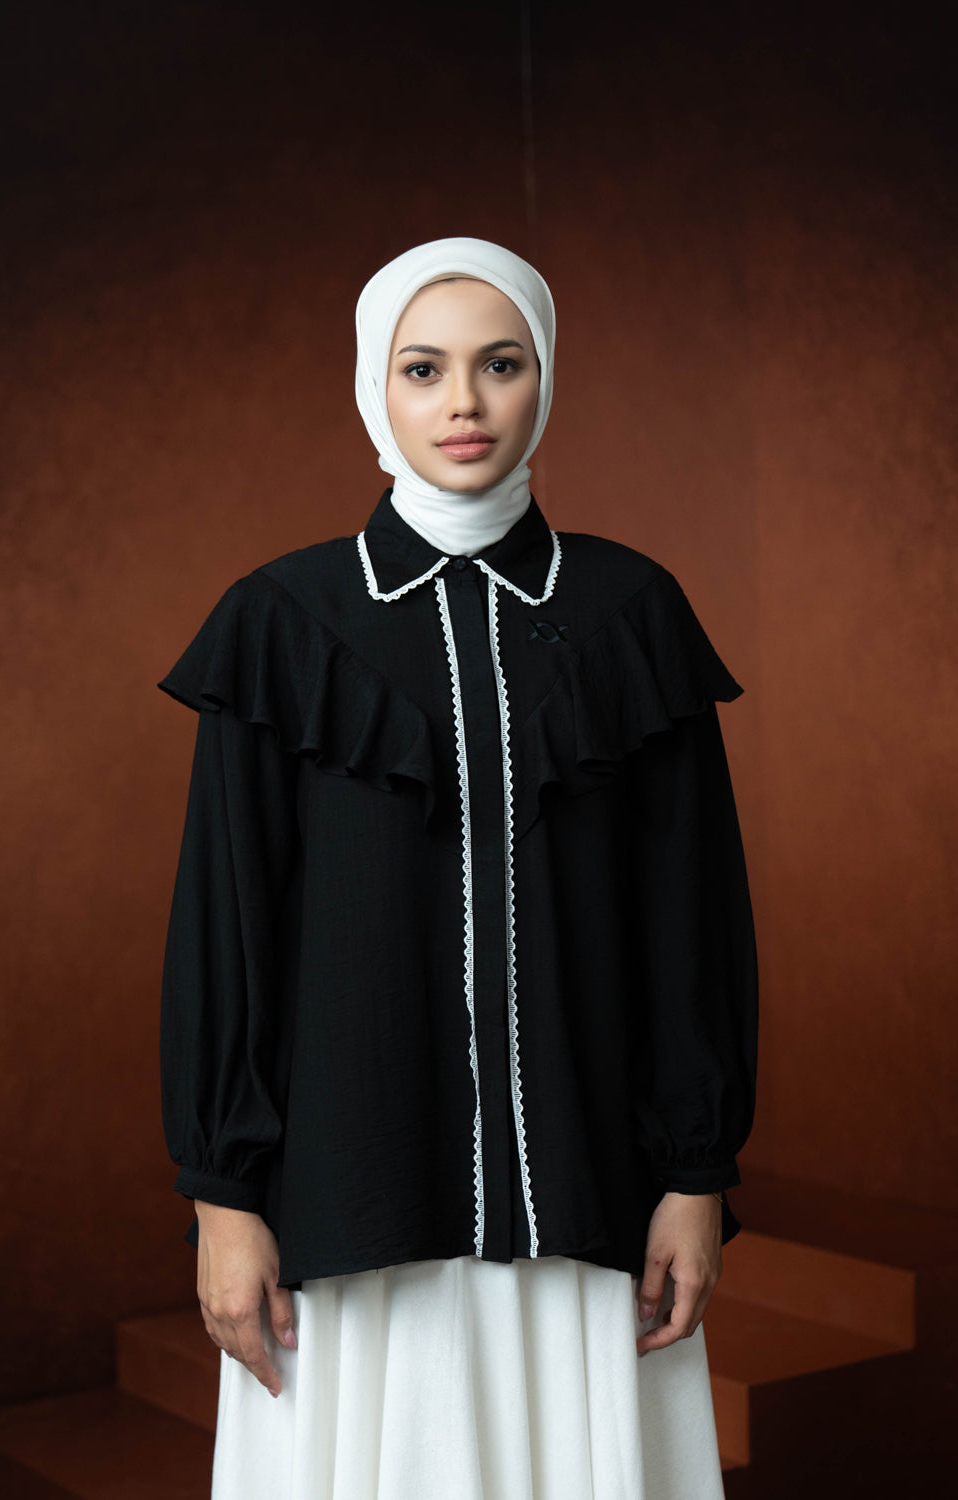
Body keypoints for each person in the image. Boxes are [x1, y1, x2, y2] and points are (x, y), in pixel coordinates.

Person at [158, 237, 758, 1500]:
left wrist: (695, 1176)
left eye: (502, 363)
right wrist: (222, 1199)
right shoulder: (284, 621)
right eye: (423, 369)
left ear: (548, 378)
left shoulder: (630, 614)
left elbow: (691, 919)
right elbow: (228, 925)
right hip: (351, 1200)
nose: (464, 403)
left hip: (590, 1198)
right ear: (373, 386)